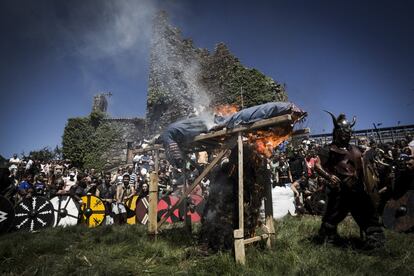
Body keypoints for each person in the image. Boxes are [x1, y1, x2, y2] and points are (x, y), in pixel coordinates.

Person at [315, 111, 384, 248]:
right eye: (344, 131)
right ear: (337, 132)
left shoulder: (356, 149)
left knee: (367, 215)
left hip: (357, 189)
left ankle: (375, 239)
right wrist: (329, 176)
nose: (347, 134)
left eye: (349, 131)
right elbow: (317, 165)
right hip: (339, 191)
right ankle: (328, 238)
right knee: (332, 217)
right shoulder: (328, 149)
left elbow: (364, 169)